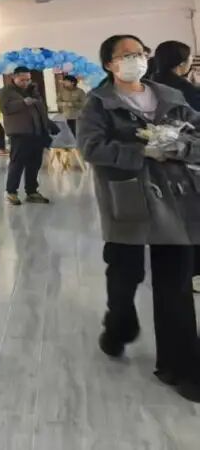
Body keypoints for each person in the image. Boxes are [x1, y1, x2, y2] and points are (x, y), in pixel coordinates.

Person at [78, 34, 200, 402]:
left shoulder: (171, 97)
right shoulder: (99, 103)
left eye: (140, 53)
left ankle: (181, 367)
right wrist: (142, 150)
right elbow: (91, 148)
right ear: (110, 64)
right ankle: (118, 325)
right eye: (127, 55)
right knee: (124, 272)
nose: (137, 59)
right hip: (128, 197)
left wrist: (178, 146)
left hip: (176, 198)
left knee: (176, 285)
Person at [149, 41, 200, 295]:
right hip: (187, 162)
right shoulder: (185, 90)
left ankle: (176, 271)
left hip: (154, 162)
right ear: (182, 63)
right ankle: (195, 273)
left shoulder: (147, 86)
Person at [0, 68, 53, 205]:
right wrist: (22, 103)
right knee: (17, 163)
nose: (25, 82)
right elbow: (4, 108)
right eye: (22, 80)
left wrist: (47, 123)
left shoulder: (33, 91)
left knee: (34, 163)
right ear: (14, 77)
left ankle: (32, 191)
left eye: (28, 79)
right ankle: (11, 192)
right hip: (19, 132)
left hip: (36, 132)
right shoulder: (6, 91)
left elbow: (40, 109)